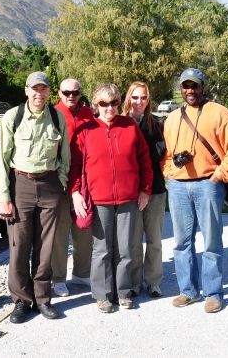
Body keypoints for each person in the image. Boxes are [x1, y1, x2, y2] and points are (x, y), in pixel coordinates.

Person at [161, 68, 228, 314]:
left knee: (211, 242)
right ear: (180, 88)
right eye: (185, 86)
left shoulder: (219, 113)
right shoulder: (172, 118)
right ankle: (188, 291)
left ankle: (213, 293)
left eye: (194, 86)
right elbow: (165, 154)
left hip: (208, 184)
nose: (190, 90)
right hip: (178, 186)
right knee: (181, 243)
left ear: (203, 87)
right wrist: (169, 172)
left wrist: (218, 176)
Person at [0, 71, 70, 324]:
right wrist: (4, 197)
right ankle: (21, 301)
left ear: (49, 91)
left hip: (49, 185)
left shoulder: (57, 118)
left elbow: (65, 157)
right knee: (19, 245)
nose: (39, 93)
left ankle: (42, 299)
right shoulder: (13, 117)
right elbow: (1, 160)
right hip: (21, 185)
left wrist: (59, 183)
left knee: (46, 247)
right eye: (34, 89)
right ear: (26, 90)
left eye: (43, 89)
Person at [70, 83, 152, 313]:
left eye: (114, 103)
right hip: (99, 199)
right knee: (102, 249)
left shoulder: (129, 126)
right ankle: (102, 295)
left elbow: (144, 159)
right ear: (96, 105)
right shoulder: (85, 130)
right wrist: (75, 193)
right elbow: (75, 166)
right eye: (104, 103)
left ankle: (123, 292)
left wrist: (144, 189)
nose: (109, 108)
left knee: (125, 248)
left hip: (128, 198)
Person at [50, 78, 95, 297]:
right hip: (59, 182)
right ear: (59, 93)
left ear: (80, 93)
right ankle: (58, 278)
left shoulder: (88, 114)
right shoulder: (52, 114)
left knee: (84, 229)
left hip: (84, 181)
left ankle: (82, 273)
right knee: (60, 234)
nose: (71, 96)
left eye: (75, 92)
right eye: (66, 92)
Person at [122, 82, 167, 298]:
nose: (139, 101)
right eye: (135, 97)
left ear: (148, 100)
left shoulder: (156, 125)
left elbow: (158, 155)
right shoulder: (120, 123)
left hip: (155, 191)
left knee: (154, 240)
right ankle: (134, 282)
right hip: (130, 192)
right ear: (128, 98)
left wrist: (139, 141)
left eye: (143, 97)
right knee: (133, 242)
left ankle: (154, 282)